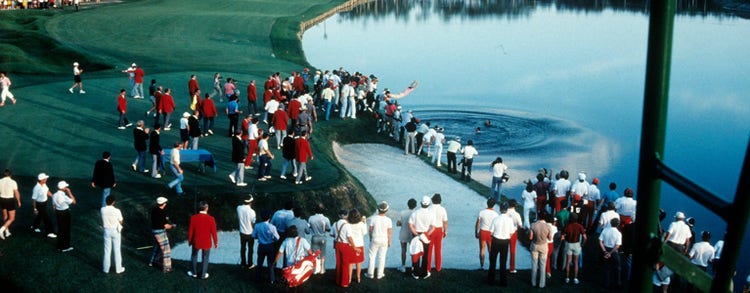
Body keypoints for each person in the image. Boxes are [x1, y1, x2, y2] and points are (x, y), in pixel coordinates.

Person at [187, 201, 218, 279]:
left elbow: (190, 231)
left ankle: (194, 273)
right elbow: (214, 232)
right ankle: (203, 274)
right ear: (206, 208)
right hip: (206, 242)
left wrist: (189, 240)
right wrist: (216, 242)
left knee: (194, 256)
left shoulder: (193, 218)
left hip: (196, 241)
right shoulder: (211, 219)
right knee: (205, 257)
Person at [487, 202, 516, 286]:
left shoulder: (496, 219)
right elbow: (512, 232)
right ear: (506, 210)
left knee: (493, 261)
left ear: (500, 209)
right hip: (505, 241)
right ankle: (503, 282)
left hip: (496, 240)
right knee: (503, 262)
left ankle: (491, 280)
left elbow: (491, 232)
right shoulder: (509, 220)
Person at [409, 196, 436, 280]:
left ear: (420, 203)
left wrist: (416, 234)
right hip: (426, 235)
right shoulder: (431, 214)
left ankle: (416, 273)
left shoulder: (415, 213)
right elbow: (433, 227)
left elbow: (410, 225)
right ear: (428, 204)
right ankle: (424, 273)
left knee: (416, 253)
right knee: (426, 254)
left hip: (416, 234)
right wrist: (426, 234)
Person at [252, 210, 280, 283]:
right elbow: (277, 238)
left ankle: (257, 278)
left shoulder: (257, 226)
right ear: (269, 218)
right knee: (270, 263)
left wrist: (259, 237)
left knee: (259, 263)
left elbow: (253, 236)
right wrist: (273, 239)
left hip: (261, 246)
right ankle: (271, 279)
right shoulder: (272, 227)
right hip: (270, 246)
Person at [366, 201, 392, 279]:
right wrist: (389, 241)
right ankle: (380, 274)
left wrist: (370, 238)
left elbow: (370, 230)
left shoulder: (373, 218)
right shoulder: (388, 220)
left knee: (372, 256)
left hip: (375, 238)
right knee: (382, 257)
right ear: (386, 210)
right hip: (384, 240)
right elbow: (389, 232)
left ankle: (370, 274)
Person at [149, 197, 174, 272]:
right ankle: (167, 267)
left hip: (154, 230)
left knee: (158, 247)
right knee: (166, 249)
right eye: (165, 203)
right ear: (163, 204)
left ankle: (153, 261)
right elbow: (166, 226)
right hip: (160, 232)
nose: (166, 204)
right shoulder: (162, 212)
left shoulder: (154, 210)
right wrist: (172, 226)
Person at [101, 195, 125, 274]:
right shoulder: (117, 211)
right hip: (115, 231)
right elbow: (121, 221)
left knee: (107, 250)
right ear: (113, 202)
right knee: (117, 250)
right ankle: (118, 269)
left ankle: (105, 269)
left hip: (106, 230)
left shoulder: (102, 209)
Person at [529, 212, 552, 288]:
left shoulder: (533, 225)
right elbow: (550, 238)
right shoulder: (548, 226)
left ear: (538, 216)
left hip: (535, 245)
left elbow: (530, 237)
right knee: (542, 265)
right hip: (543, 246)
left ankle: (533, 282)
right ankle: (542, 284)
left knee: (534, 264)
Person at [562, 213, 587, 284]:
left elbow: (563, 237)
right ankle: (575, 278)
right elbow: (585, 237)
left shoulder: (567, 226)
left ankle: (567, 278)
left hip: (569, 244)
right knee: (576, 262)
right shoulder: (580, 226)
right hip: (577, 244)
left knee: (568, 261)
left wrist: (564, 241)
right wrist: (582, 244)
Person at [345, 208, 367, 284]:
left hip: (350, 245)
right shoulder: (361, 224)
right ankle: (358, 277)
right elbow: (364, 232)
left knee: (350, 263)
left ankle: (349, 278)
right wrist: (364, 223)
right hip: (360, 244)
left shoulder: (347, 224)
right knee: (358, 263)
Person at [52, 180, 76, 252]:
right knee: (66, 230)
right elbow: (74, 202)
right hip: (65, 213)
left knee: (60, 229)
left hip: (58, 212)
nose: (66, 188)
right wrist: (70, 193)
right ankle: (65, 246)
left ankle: (60, 246)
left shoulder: (55, 195)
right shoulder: (64, 196)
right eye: (65, 187)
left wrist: (56, 212)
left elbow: (54, 206)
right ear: (63, 188)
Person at [31, 173, 56, 238]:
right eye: (45, 178)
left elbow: (47, 191)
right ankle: (49, 232)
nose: (46, 179)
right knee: (46, 218)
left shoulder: (44, 184)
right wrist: (35, 209)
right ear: (41, 180)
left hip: (44, 203)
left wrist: (53, 196)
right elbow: (34, 199)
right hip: (39, 205)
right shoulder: (36, 188)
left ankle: (34, 227)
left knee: (39, 216)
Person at [308, 204, 331, 274]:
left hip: (314, 237)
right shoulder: (326, 219)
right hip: (323, 237)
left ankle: (315, 269)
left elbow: (308, 227)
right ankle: (322, 269)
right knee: (323, 253)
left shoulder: (311, 218)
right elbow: (329, 229)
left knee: (315, 253)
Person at [475, 198, 498, 270]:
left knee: (482, 249)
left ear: (487, 203)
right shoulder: (496, 214)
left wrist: (476, 232)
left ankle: (482, 266)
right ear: (494, 205)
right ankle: (491, 266)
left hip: (483, 232)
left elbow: (478, 223)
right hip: (491, 233)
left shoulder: (482, 212)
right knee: (491, 250)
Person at [599, 218, 622, 288]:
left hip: (605, 248)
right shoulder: (618, 233)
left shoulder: (605, 230)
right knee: (617, 268)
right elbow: (617, 246)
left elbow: (600, 241)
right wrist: (610, 253)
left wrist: (605, 251)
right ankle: (617, 283)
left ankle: (606, 283)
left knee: (606, 268)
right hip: (613, 251)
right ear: (618, 224)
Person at [427, 193, 448, 272]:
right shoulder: (442, 209)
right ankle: (438, 267)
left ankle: (428, 267)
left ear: (432, 200)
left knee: (429, 249)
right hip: (439, 230)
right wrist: (445, 230)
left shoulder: (429, 208)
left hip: (430, 229)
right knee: (438, 249)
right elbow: (445, 221)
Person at [397, 198, 417, 273]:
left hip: (403, 233)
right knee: (413, 251)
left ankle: (403, 266)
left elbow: (398, 224)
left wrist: (403, 223)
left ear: (407, 204)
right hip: (412, 233)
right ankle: (413, 266)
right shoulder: (416, 213)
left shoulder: (402, 212)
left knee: (403, 250)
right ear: (415, 205)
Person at [0, 169, 21, 239]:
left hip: (2, 199)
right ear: (10, 175)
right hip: (10, 200)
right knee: (12, 218)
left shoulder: (0, 181)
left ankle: (7, 232)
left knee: (5, 216)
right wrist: (18, 201)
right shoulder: (13, 182)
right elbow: (16, 193)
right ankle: (1, 230)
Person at [332, 209, 351, 287]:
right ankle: (344, 283)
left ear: (339, 215)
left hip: (337, 244)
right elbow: (349, 237)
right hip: (345, 245)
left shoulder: (334, 224)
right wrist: (354, 246)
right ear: (346, 215)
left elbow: (331, 234)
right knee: (345, 264)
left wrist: (338, 236)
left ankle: (337, 281)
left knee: (338, 263)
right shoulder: (347, 225)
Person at [237, 194, 256, 269]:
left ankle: (243, 263)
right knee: (250, 249)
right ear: (251, 202)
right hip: (250, 233)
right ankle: (250, 264)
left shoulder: (238, 208)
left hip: (242, 232)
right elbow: (253, 223)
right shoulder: (252, 212)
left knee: (243, 248)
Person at [506, 200, 523, 274]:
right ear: (515, 205)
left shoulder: (505, 213)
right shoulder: (517, 214)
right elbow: (520, 225)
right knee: (512, 251)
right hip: (513, 233)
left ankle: (502, 266)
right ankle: (512, 268)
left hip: (505, 232)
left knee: (503, 250)